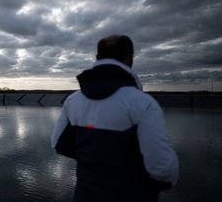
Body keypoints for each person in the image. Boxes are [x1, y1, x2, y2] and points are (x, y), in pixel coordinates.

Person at [51, 35, 178, 202]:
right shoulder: (142, 103)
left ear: (97, 58)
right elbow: (163, 169)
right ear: (129, 58)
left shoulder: (73, 100)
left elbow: (58, 144)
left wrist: (93, 159)